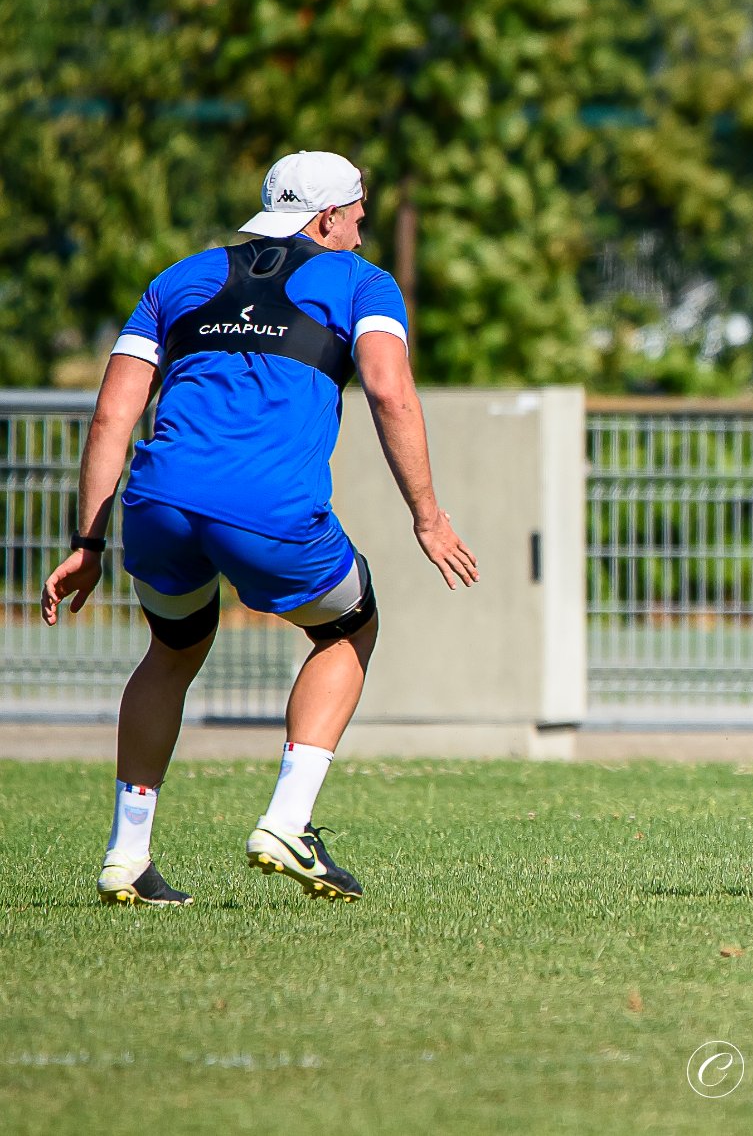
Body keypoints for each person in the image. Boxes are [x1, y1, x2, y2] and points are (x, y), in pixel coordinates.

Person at [40, 150, 478, 906]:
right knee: (349, 625)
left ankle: (126, 854)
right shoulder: (361, 285)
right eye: (358, 219)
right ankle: (287, 820)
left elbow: (114, 414)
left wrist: (88, 542)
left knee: (174, 648)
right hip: (268, 510)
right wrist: (428, 517)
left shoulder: (177, 279)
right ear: (327, 218)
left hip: (158, 501)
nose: (363, 236)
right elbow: (391, 392)